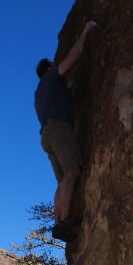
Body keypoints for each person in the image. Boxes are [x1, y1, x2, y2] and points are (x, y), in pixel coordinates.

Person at [34, 20, 97, 241]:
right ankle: (67, 218)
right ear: (49, 68)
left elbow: (63, 94)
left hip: (46, 135)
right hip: (59, 128)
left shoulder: (40, 92)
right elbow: (73, 56)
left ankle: (59, 222)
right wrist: (86, 30)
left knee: (62, 181)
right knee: (73, 171)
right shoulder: (52, 76)